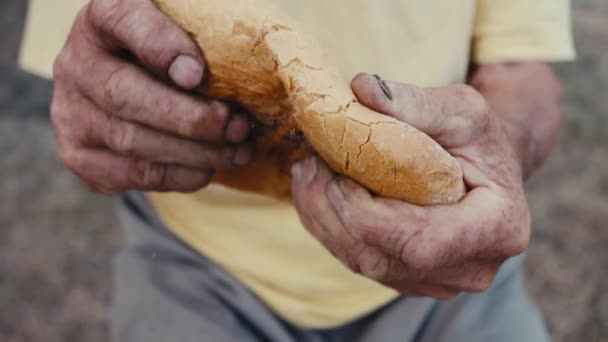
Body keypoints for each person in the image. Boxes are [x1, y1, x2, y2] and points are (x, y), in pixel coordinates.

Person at [20, 0, 575, 341]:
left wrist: (501, 155)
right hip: (197, 266)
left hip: (447, 261)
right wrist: (97, 125)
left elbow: (521, 70)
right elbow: (89, 76)